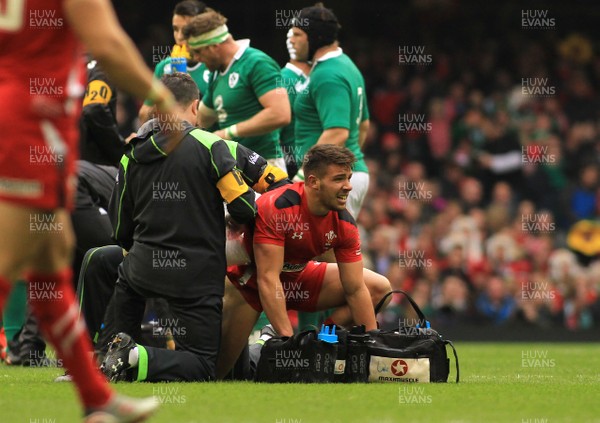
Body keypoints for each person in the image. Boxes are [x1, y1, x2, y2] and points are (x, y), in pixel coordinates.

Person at [0, 0, 178, 421]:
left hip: (45, 126)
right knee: (7, 263)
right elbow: (108, 42)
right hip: (28, 124)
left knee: (51, 259)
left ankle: (97, 399)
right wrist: (162, 97)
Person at [98, 72, 262, 383]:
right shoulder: (212, 145)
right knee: (201, 366)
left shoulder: (132, 153)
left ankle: (112, 355)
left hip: (142, 267)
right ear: (195, 106)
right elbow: (245, 208)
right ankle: (135, 356)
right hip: (196, 275)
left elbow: (119, 228)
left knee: (127, 281)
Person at [217, 144, 391, 378]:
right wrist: (290, 343)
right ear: (313, 182)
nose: (348, 186)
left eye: (349, 178)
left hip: (297, 277)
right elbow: (268, 279)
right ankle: (264, 346)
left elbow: (355, 287)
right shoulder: (277, 207)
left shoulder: (345, 222)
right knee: (217, 372)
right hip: (251, 286)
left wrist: (372, 343)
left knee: (379, 288)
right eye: (339, 179)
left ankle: (318, 343)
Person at [290, 3, 371, 218]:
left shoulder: (328, 74)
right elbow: (363, 125)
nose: (292, 40)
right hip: (339, 177)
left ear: (314, 37)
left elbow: (338, 132)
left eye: (298, 34)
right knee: (327, 250)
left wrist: (303, 175)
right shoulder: (345, 64)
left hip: (329, 181)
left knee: (324, 250)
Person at [185, 10, 291, 168]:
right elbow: (201, 119)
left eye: (198, 52)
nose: (197, 59)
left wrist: (226, 133)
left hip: (264, 165)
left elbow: (281, 114)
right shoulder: (217, 72)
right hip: (234, 165)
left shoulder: (257, 63)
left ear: (214, 46)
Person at [138, 0, 211, 123]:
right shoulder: (165, 66)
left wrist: (187, 87)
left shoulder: (213, 64)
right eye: (176, 29)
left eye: (187, 30)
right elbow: (143, 115)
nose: (180, 36)